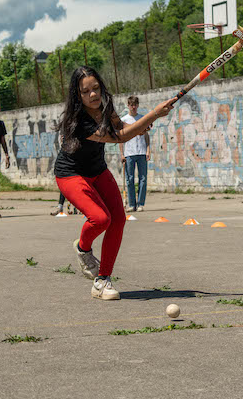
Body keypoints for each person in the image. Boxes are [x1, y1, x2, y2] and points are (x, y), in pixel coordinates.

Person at [55, 66, 175, 300]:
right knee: (100, 219)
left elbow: (120, 127)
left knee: (118, 220)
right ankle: (82, 248)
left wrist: (141, 127)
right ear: (77, 95)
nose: (93, 95)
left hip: (97, 171)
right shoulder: (80, 120)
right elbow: (120, 137)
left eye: (96, 88)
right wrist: (154, 114)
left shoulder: (105, 106)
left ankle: (102, 281)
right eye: (86, 91)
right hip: (70, 174)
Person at [118, 95, 151, 212]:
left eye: (135, 105)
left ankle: (141, 203)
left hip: (141, 152)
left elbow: (146, 135)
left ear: (137, 105)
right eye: (131, 105)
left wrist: (148, 150)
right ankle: (132, 204)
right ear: (128, 106)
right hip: (129, 153)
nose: (134, 107)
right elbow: (120, 138)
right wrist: (122, 154)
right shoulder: (124, 120)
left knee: (143, 178)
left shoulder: (142, 118)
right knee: (129, 179)